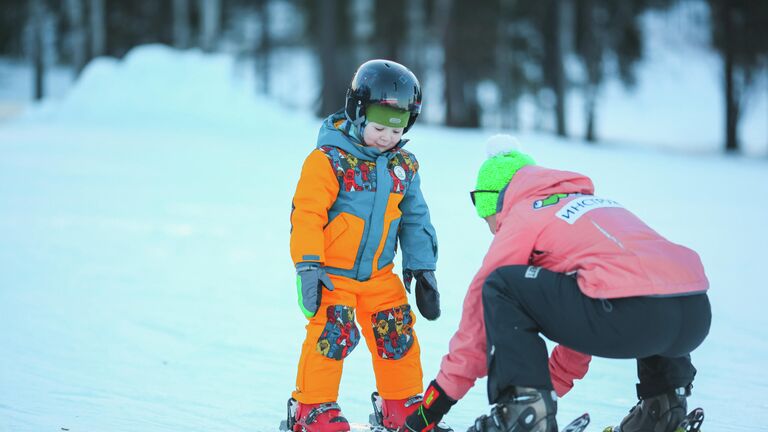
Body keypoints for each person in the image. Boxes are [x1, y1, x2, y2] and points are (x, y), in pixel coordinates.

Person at [400, 135, 711, 432]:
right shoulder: (597, 208)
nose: (490, 226)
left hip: (626, 315)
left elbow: (478, 318)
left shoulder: (525, 214)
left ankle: (524, 412)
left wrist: (435, 404)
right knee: (645, 280)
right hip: (693, 315)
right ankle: (664, 408)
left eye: (485, 212)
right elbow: (580, 324)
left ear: (498, 199)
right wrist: (546, 388)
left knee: (501, 284)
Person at [285, 59, 441, 432]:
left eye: (397, 128)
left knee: (397, 333)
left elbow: (416, 219)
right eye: (378, 127)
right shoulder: (328, 161)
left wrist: (422, 268)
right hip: (332, 275)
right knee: (331, 335)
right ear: (357, 112)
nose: (388, 137)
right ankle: (311, 409)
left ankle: (400, 403)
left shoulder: (403, 166)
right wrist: (308, 264)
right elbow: (306, 213)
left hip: (378, 275)